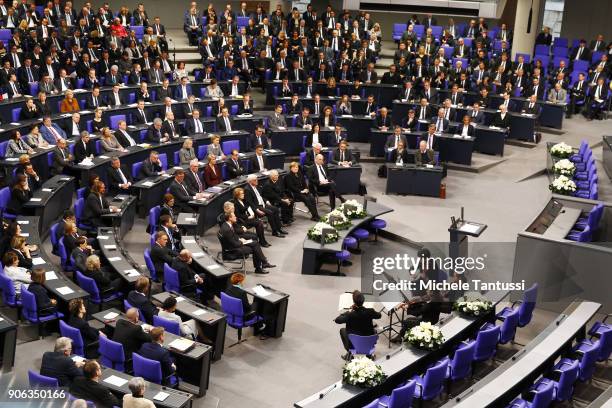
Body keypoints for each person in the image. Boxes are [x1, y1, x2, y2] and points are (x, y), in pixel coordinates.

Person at [334, 290, 381, 360]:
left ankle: (349, 352)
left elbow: (337, 320)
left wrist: (349, 311)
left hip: (354, 344)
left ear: (354, 302)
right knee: (373, 330)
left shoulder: (350, 315)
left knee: (342, 330)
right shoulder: (370, 311)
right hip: (369, 342)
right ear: (363, 301)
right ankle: (369, 354)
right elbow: (379, 315)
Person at [224, 272, 267, 337]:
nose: (243, 283)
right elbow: (247, 307)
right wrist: (252, 306)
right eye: (242, 281)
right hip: (243, 316)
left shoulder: (228, 289)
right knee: (257, 304)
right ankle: (260, 325)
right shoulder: (242, 292)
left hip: (231, 314)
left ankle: (256, 324)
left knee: (253, 304)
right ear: (239, 283)